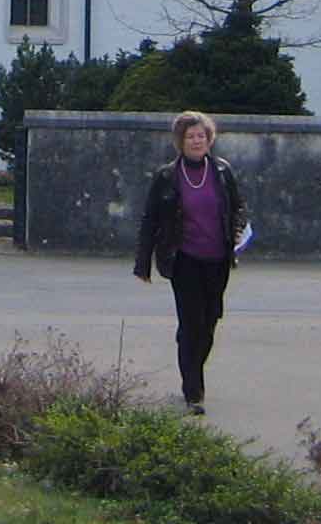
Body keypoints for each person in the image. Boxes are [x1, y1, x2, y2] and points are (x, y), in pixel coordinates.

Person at [132, 109, 249, 414]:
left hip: (218, 259)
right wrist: (142, 263)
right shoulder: (167, 176)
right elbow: (150, 220)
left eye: (201, 136)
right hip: (183, 259)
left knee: (209, 322)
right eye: (190, 136)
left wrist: (237, 230)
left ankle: (193, 365)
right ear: (180, 141)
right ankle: (193, 390)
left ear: (209, 139)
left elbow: (238, 208)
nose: (197, 141)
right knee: (190, 323)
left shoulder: (222, 172)